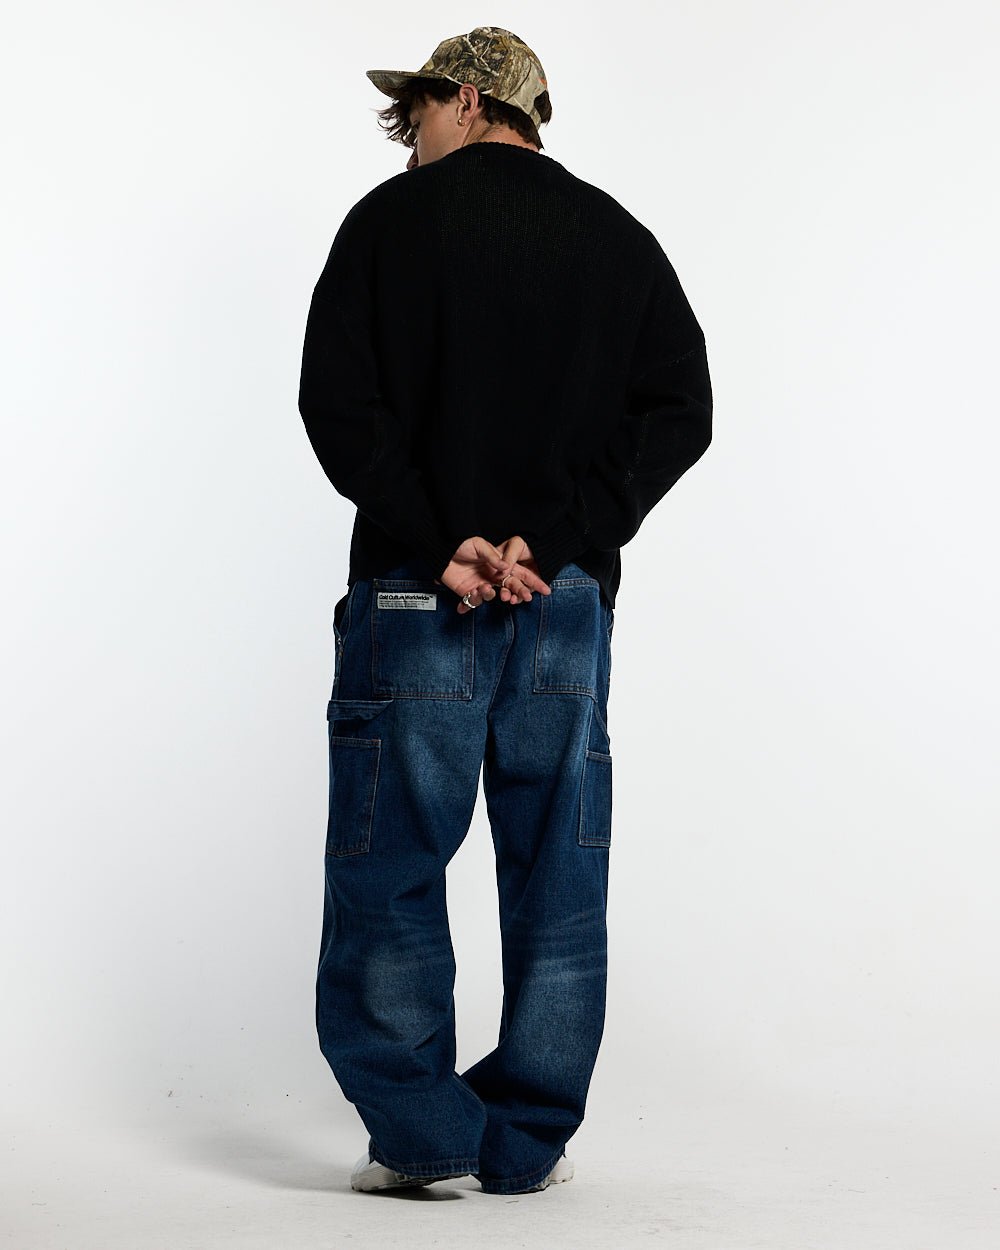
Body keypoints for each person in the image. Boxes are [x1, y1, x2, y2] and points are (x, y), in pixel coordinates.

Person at [296, 25, 713, 1197]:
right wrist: (557, 537)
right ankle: (525, 1138)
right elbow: (681, 406)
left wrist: (444, 539)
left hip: (414, 596)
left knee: (389, 867)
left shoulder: (386, 224)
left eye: (420, 115)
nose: (411, 142)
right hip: (561, 605)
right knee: (557, 876)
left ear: (471, 101)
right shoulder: (616, 238)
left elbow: (337, 403)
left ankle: (421, 1138)